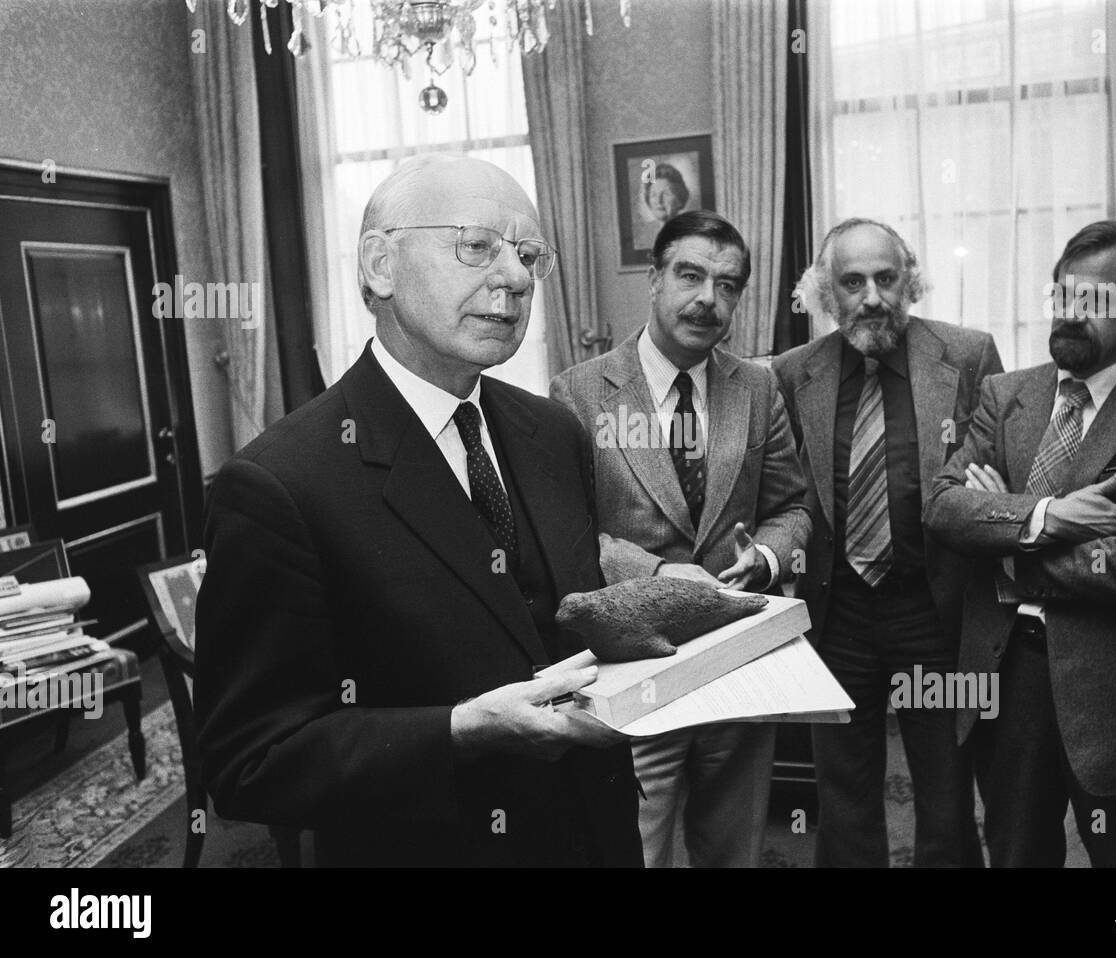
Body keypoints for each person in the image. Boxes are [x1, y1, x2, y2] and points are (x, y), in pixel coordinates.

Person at [193, 154, 643, 867]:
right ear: (380, 266)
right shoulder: (277, 484)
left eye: (529, 256)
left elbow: (554, 619)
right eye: (478, 246)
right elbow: (252, 760)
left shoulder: (551, 432)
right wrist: (465, 728)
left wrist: (669, 603)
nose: (518, 278)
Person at [923, 220, 1116, 867]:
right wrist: (1044, 516)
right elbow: (945, 507)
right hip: (1006, 679)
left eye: (1096, 301)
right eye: (1063, 295)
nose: (1071, 313)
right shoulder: (1004, 395)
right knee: (1015, 855)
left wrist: (1006, 548)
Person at [550, 210, 810, 868]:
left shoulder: (758, 386)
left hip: (736, 654)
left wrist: (771, 554)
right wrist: (663, 580)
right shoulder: (578, 392)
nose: (707, 299)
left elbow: (793, 504)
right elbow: (569, 537)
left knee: (735, 841)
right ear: (654, 278)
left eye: (728, 286)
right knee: (640, 843)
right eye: (691, 276)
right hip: (630, 663)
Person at [772, 218, 1000, 867]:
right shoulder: (790, 374)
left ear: (911, 282)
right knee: (842, 787)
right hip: (837, 614)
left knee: (947, 785)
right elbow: (787, 493)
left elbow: (995, 473)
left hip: (934, 611)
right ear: (824, 294)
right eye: (852, 281)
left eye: (886, 277)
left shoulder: (969, 355)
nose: (872, 296)